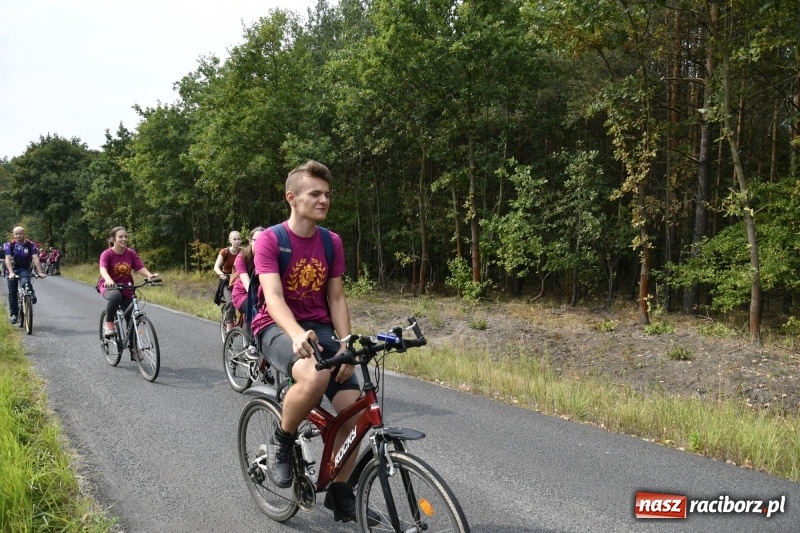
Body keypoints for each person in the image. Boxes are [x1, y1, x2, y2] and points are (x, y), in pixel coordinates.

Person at [251, 160, 363, 523]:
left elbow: (336, 298)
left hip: (322, 328)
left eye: (327, 194)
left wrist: (345, 344)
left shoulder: (331, 242)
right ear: (292, 198)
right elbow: (273, 296)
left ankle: (341, 490)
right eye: (315, 193)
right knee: (314, 376)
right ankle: (282, 440)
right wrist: (296, 333)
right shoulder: (271, 240)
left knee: (357, 412)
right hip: (276, 326)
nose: (323, 200)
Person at [97, 227, 157, 337]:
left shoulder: (130, 253)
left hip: (126, 287)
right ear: (113, 239)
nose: (124, 239)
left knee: (131, 320)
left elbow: (139, 267)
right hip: (108, 286)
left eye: (125, 237)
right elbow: (103, 269)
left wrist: (149, 274)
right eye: (120, 237)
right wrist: (108, 279)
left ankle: (134, 348)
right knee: (115, 297)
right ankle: (109, 323)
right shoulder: (107, 254)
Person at [4, 226, 46, 324]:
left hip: (24, 268)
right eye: (16, 234)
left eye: (20, 233)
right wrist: (11, 272)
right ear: (13, 235)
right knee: (12, 292)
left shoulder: (30, 244)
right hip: (12, 269)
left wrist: (40, 272)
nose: (18, 236)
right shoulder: (9, 245)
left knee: (25, 282)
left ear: (24, 234)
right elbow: (8, 259)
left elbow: (35, 258)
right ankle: (14, 314)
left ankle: (31, 292)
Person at [230, 226, 264, 338]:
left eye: (264, 239)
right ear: (250, 241)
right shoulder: (242, 257)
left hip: (260, 293)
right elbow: (246, 282)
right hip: (242, 294)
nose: (261, 243)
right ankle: (251, 344)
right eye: (257, 240)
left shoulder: (268, 256)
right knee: (255, 309)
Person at [213, 230, 241, 332]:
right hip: (227, 281)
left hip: (239, 281)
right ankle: (229, 330)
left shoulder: (243, 251)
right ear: (230, 240)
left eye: (239, 239)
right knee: (231, 302)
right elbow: (216, 267)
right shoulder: (225, 252)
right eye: (235, 239)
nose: (237, 241)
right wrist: (221, 275)